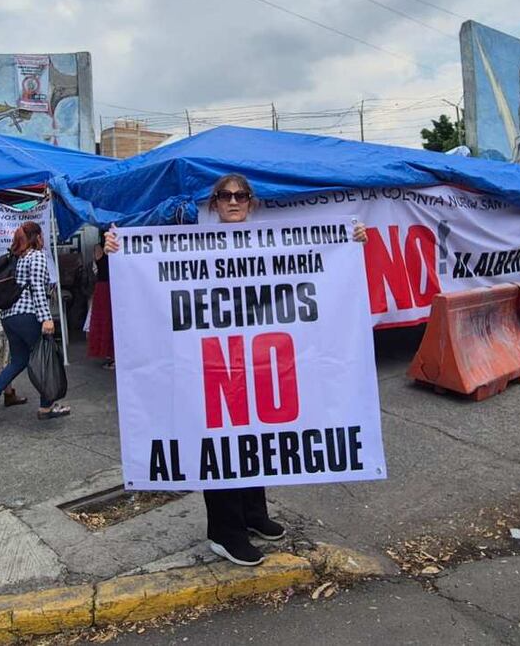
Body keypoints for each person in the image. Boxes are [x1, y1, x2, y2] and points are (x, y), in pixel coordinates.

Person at [104, 173, 368, 567]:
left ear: (251, 201)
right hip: (211, 364)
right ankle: (224, 533)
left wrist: (349, 240)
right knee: (220, 442)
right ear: (213, 203)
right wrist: (116, 250)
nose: (233, 201)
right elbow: (145, 276)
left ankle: (252, 515)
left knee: (255, 437)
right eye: (224, 196)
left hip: (257, 362)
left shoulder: (269, 243)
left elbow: (317, 268)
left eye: (241, 195)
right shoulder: (189, 246)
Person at [0, 221, 70, 427]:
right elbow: (37, 290)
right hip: (28, 315)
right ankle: (46, 406)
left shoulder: (18, 257)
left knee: (19, 360)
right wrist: (46, 318)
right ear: (37, 237)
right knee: (45, 358)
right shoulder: (37, 256)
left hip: (10, 316)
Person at [86, 234, 115, 369]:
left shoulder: (99, 248)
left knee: (107, 320)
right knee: (107, 320)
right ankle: (111, 354)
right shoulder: (100, 247)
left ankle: (111, 354)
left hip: (106, 286)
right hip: (107, 287)